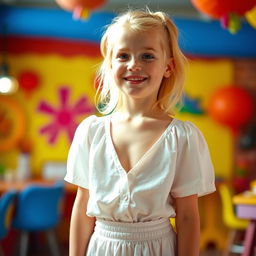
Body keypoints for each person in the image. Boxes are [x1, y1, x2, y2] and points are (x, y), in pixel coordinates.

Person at [64, 9, 216, 256]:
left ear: (168, 67)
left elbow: (188, 217)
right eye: (123, 56)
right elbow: (82, 208)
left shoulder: (182, 137)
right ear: (110, 64)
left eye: (147, 56)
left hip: (158, 248)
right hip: (102, 247)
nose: (134, 65)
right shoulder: (91, 132)